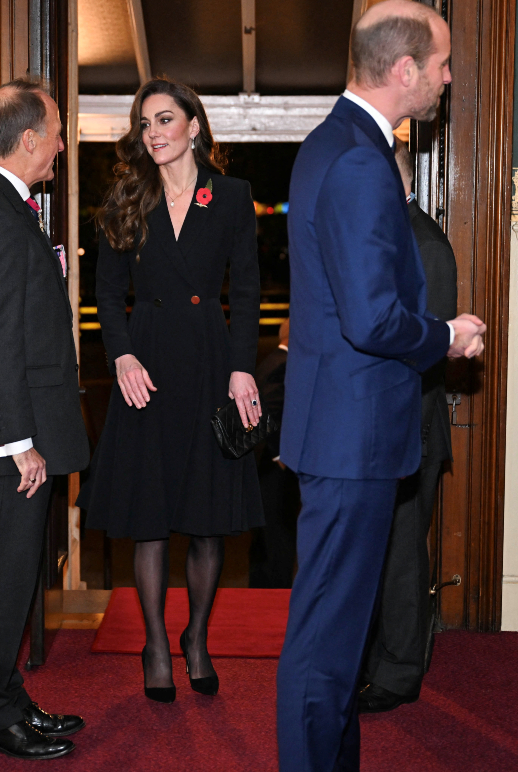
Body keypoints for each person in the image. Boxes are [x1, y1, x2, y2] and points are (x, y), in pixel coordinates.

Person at [276, 3, 486, 771]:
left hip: (338, 430)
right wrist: (447, 337)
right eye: (441, 64)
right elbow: (371, 320)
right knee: (328, 642)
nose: (446, 77)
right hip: (353, 439)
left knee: (336, 631)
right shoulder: (363, 160)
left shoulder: (331, 143)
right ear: (404, 71)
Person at [76, 78, 264, 703]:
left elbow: (244, 292)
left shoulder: (231, 196)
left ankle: (197, 637)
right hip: (147, 370)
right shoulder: (128, 194)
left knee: (208, 522)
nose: (153, 133)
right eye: (144, 123)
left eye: (164, 119)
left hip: (211, 362)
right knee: (151, 519)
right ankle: (156, 644)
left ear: (193, 125)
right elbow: (105, 292)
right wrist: (122, 353)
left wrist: (242, 367)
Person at [0, 79, 90, 760]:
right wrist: (21, 444)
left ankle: (5, 697)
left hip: (18, 428)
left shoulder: (6, 207)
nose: (62, 144)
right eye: (57, 132)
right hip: (11, 437)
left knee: (12, 573)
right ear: (29, 138)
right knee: (1, 579)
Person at [358, 139, 457, 713]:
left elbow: (427, 352)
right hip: (379, 429)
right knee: (381, 552)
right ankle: (378, 663)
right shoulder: (386, 238)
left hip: (411, 428)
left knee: (401, 555)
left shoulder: (426, 244)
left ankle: (400, 674)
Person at [249, 319, 300, 589]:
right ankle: (274, 593)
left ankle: (263, 589)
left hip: (265, 462)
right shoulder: (282, 365)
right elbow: (273, 410)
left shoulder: (272, 360)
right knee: (278, 535)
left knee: (267, 536)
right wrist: (282, 455)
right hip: (274, 463)